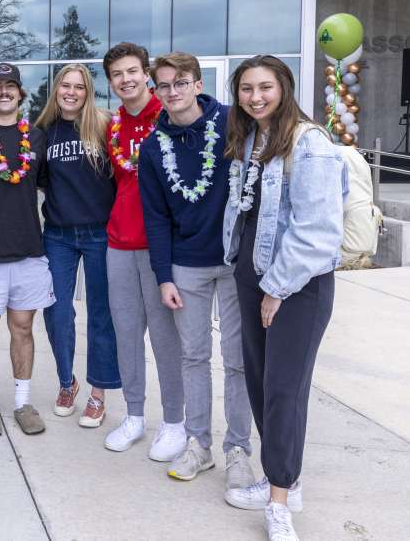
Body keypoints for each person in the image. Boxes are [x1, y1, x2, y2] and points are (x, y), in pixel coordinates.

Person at [222, 56, 345, 541]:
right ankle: (283, 480)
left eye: (265, 87)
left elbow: (318, 231)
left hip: (296, 286)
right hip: (252, 276)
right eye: (247, 88)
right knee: (259, 383)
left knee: (283, 391)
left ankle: (279, 504)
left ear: (285, 88)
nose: (255, 96)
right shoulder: (251, 138)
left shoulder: (309, 143)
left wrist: (276, 288)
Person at [137, 52, 255, 489]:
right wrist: (164, 275)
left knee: (239, 360)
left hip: (234, 262)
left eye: (181, 82)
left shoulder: (233, 124)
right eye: (164, 85)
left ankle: (239, 450)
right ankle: (198, 444)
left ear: (198, 82)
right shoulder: (153, 147)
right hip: (186, 267)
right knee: (193, 357)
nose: (172, 92)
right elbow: (155, 217)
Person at [99, 43, 187, 460]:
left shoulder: (169, 117)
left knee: (166, 340)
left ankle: (174, 422)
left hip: (159, 248)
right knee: (127, 335)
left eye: (132, 71)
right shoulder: (112, 126)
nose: (126, 79)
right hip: (118, 242)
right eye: (117, 74)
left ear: (146, 73)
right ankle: (134, 414)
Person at [0, 62, 54, 436]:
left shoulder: (36, 137)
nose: (4, 92)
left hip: (29, 251)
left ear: (20, 92)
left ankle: (22, 402)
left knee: (23, 328)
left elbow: (51, 186)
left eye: (10, 86)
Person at [34, 63, 121, 428]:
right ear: (56, 91)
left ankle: (97, 394)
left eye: (79, 87)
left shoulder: (103, 126)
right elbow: (35, 182)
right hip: (58, 234)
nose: (71, 92)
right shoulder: (43, 133)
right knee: (56, 311)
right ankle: (66, 383)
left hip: (101, 233)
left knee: (102, 313)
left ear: (89, 92)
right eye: (64, 86)